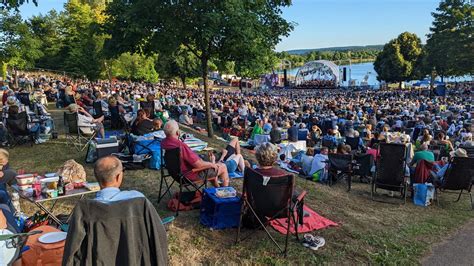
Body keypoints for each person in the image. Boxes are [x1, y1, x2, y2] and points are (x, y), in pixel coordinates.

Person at [161, 120, 229, 187]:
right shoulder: (180, 146)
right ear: (177, 132)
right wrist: (212, 164)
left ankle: (217, 189)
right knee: (223, 167)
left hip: (175, 175)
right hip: (189, 176)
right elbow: (199, 165)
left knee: (208, 165)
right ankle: (225, 194)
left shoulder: (163, 143)